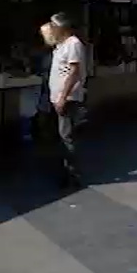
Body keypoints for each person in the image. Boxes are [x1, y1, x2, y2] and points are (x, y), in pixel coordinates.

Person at [47, 12, 87, 189]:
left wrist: (63, 97)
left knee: (66, 137)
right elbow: (45, 34)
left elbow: (73, 72)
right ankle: (65, 171)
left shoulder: (73, 44)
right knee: (62, 137)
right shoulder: (60, 45)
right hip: (58, 97)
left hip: (68, 98)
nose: (51, 30)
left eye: (54, 27)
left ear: (62, 28)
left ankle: (72, 175)